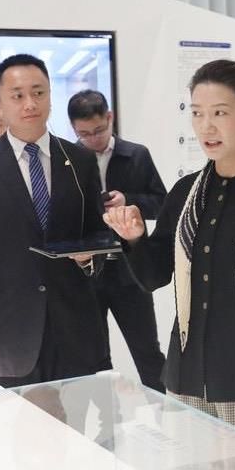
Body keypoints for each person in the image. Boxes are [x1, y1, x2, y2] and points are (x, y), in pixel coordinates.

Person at [103, 60, 235, 446]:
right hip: (187, 379)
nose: (206, 127)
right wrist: (134, 240)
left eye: (220, 113)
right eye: (197, 114)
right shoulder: (185, 193)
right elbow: (153, 277)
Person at [0, 54, 108, 385]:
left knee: (77, 419)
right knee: (13, 419)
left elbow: (97, 238)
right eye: (17, 95)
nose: (30, 103)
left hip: (74, 329)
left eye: (38, 93)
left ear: (50, 96)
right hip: (5, 333)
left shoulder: (80, 160)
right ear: (0, 103)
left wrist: (89, 260)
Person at [69, 89, 169, 392]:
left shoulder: (136, 154)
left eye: (99, 130)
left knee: (147, 351)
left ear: (110, 118)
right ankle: (108, 419)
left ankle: (169, 413)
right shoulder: (69, 159)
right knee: (95, 358)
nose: (93, 139)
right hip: (88, 271)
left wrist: (129, 200)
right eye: (84, 134)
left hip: (131, 269)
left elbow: (162, 203)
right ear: (73, 128)